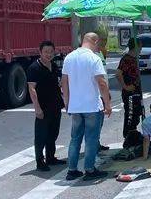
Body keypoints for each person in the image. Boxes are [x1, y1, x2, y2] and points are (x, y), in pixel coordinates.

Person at [61, 32, 112, 181]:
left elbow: (64, 82)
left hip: (75, 107)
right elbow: (102, 83)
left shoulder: (69, 58)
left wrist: (67, 102)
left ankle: (72, 170)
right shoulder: (94, 58)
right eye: (99, 44)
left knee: (75, 138)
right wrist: (107, 104)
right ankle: (89, 169)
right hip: (91, 106)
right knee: (91, 139)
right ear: (95, 42)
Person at [27, 40, 66, 171]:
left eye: (51, 52)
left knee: (53, 133)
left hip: (55, 105)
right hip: (43, 107)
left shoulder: (54, 66)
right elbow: (32, 89)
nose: (48, 54)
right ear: (40, 52)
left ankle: (51, 157)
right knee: (41, 135)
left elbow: (59, 84)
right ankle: (40, 161)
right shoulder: (34, 68)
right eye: (46, 52)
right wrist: (37, 108)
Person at [116, 37, 143, 139]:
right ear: (136, 47)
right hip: (130, 94)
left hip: (136, 92)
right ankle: (128, 136)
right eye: (140, 47)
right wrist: (125, 87)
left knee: (137, 114)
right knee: (130, 115)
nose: (141, 49)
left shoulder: (135, 59)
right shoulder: (126, 59)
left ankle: (133, 135)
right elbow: (118, 73)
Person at [95, 31, 110, 152]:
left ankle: (97, 142)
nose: (104, 42)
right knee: (96, 121)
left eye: (105, 40)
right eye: (102, 40)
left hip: (103, 92)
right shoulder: (92, 55)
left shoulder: (101, 53)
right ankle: (94, 144)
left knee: (100, 121)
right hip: (96, 94)